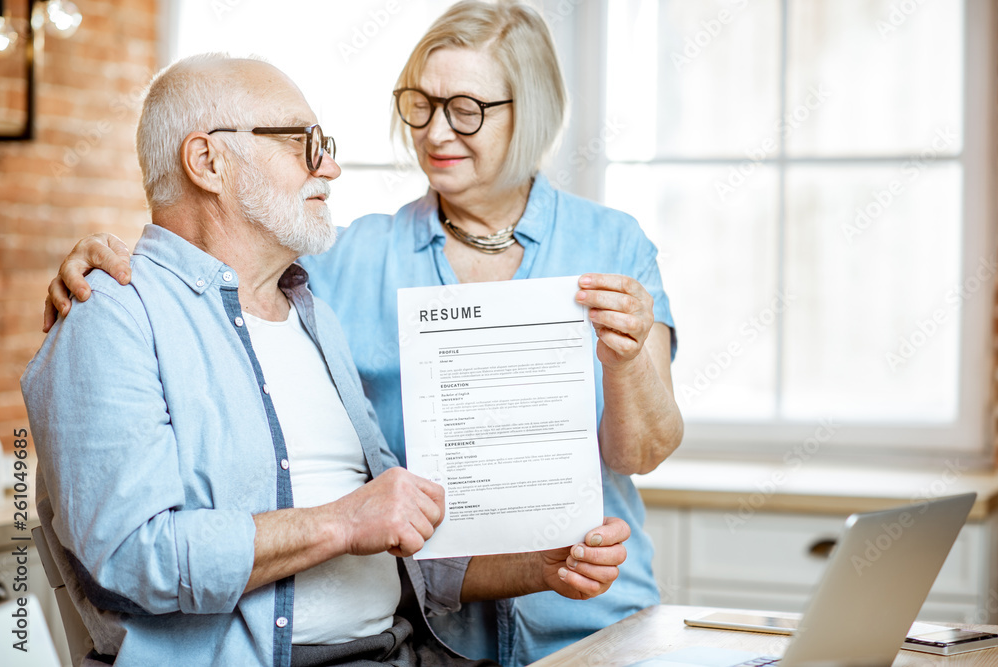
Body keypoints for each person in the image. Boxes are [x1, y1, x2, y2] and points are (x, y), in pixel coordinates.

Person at [45, 2, 684, 665]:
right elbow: (211, 241)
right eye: (420, 104)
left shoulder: (611, 243)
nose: (436, 130)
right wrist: (112, 264)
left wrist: (629, 361)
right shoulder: (337, 264)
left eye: (466, 109)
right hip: (441, 634)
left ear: (532, 116)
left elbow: (643, 451)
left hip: (586, 609)